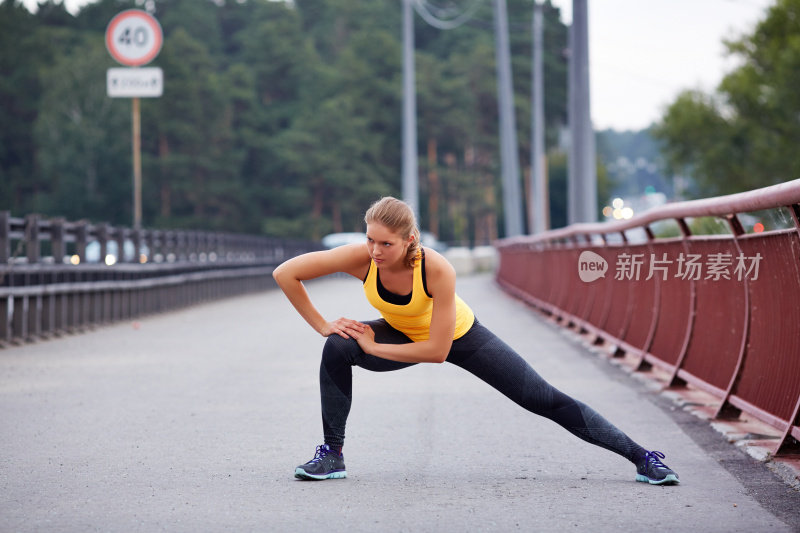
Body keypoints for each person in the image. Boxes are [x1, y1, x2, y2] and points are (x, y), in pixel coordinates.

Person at [272, 196, 679, 485]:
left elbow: (437, 350)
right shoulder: (361, 258)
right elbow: (286, 273)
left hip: (461, 338)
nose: (375, 251)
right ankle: (333, 455)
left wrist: (375, 346)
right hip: (402, 330)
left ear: (410, 240)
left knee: (541, 397)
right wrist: (323, 325)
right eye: (370, 240)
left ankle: (642, 457)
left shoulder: (437, 269)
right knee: (338, 346)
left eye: (386, 243)